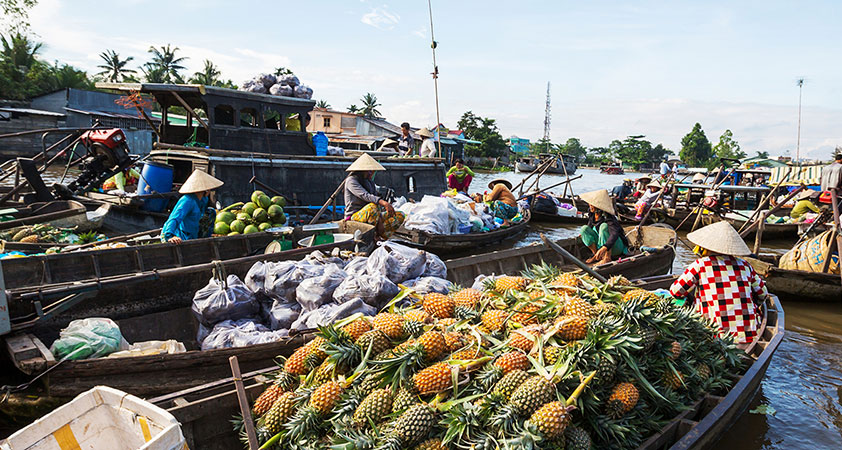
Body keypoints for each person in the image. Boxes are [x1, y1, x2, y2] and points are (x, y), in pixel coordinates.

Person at [669, 221, 769, 344]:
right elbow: (763, 294)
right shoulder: (745, 265)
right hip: (747, 337)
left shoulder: (700, 265)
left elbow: (675, 292)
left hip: (714, 338)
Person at [343, 153, 405, 239]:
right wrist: (384, 203)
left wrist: (380, 220)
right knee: (372, 207)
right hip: (354, 217)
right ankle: (372, 236)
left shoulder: (369, 182)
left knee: (400, 215)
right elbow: (365, 196)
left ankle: (381, 236)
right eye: (369, 171)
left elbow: (375, 199)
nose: (371, 174)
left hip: (373, 215)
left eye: (372, 171)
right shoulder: (351, 180)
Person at [162, 170, 223, 244]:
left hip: (192, 232)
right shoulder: (187, 201)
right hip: (179, 234)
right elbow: (175, 218)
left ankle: (203, 240)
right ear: (206, 190)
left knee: (211, 212)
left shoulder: (203, 199)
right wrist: (170, 236)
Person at [578, 189, 629, 265]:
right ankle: (597, 255)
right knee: (584, 229)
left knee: (604, 226)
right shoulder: (592, 213)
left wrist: (605, 247)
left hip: (615, 246)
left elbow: (614, 234)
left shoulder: (609, 217)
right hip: (601, 245)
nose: (590, 206)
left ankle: (607, 258)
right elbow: (589, 226)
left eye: (592, 205)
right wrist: (584, 234)